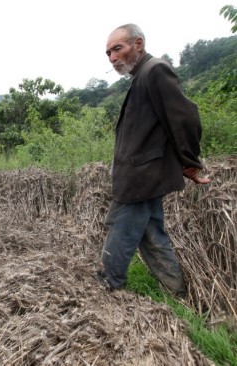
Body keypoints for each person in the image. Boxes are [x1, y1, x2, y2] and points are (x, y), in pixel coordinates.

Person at [96, 24, 211, 297]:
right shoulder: (141, 76)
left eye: (117, 49)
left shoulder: (155, 70)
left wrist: (189, 161)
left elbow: (186, 119)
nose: (112, 57)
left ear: (138, 44)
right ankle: (179, 295)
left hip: (140, 178)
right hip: (142, 178)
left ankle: (107, 288)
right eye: (108, 53)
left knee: (120, 230)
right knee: (152, 239)